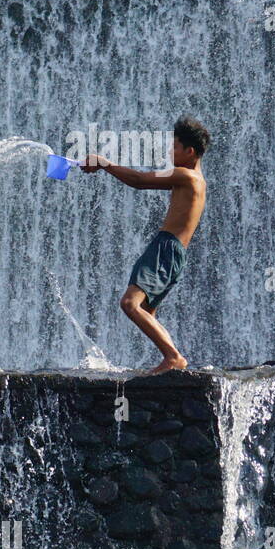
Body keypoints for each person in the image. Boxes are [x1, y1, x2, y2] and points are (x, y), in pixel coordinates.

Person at [81, 115, 209, 374]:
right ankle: (171, 359)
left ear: (189, 151)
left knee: (130, 304)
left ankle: (173, 357)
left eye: (174, 147)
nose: (169, 151)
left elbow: (140, 181)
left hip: (166, 248)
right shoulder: (194, 180)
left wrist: (105, 164)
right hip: (174, 252)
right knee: (146, 310)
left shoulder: (185, 175)